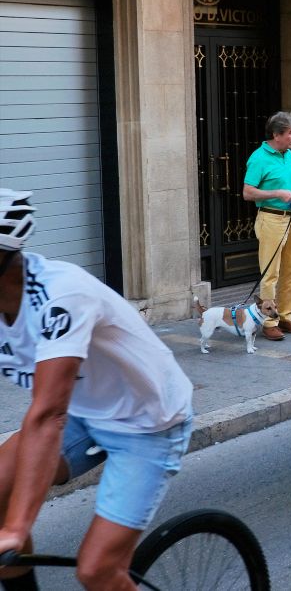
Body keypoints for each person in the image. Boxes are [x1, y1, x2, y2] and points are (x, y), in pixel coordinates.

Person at [0, 190, 194, 591]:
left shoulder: (60, 296)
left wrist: (17, 528)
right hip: (88, 412)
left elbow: (48, 414)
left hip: (148, 424)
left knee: (97, 571)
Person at [242, 111, 291, 341]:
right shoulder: (259, 158)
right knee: (271, 273)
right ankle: (268, 322)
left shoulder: (288, 154)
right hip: (270, 218)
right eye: (290, 132)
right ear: (277, 135)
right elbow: (247, 192)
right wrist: (277, 194)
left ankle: (286, 316)